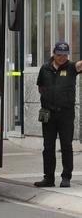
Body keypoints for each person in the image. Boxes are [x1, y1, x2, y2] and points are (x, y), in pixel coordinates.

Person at [34, 41, 82, 188]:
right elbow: (40, 87)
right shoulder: (45, 68)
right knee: (48, 146)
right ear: (53, 53)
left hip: (66, 113)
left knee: (66, 145)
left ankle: (66, 177)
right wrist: (47, 99)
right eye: (59, 54)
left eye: (65, 55)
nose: (62, 58)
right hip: (48, 112)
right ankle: (48, 178)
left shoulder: (72, 67)